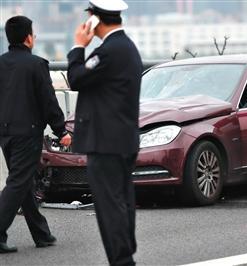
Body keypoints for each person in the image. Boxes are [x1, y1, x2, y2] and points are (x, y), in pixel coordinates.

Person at [67, 0, 142, 265]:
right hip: (121, 140)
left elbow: (75, 78)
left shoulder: (109, 51)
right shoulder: (127, 47)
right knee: (122, 202)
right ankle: (125, 257)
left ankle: (122, 261)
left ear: (95, 19)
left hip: (106, 143)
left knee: (110, 206)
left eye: (89, 15)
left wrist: (78, 46)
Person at [0, 16, 71, 253]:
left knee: (24, 182)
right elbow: (48, 102)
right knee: (19, 182)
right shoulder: (36, 64)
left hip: (6, 133)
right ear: (29, 38)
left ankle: (41, 234)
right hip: (27, 134)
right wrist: (61, 130)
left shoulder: (1, 63)